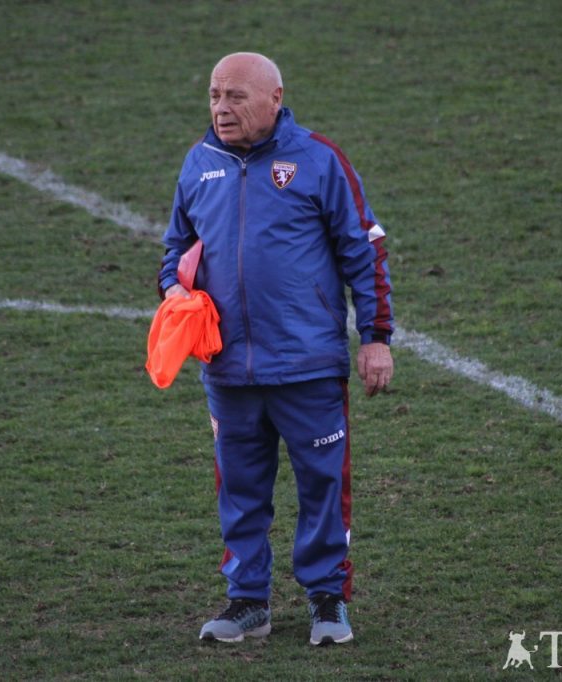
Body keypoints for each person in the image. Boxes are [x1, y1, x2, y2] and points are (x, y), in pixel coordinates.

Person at [157, 51, 394, 646]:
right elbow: (174, 253)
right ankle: (247, 603)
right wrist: (176, 294)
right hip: (228, 368)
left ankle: (327, 602)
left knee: (320, 485)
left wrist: (375, 339)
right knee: (239, 489)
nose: (221, 107)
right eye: (214, 95)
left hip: (308, 365)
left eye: (235, 96)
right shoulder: (199, 163)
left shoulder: (318, 160)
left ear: (275, 98)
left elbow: (363, 252)